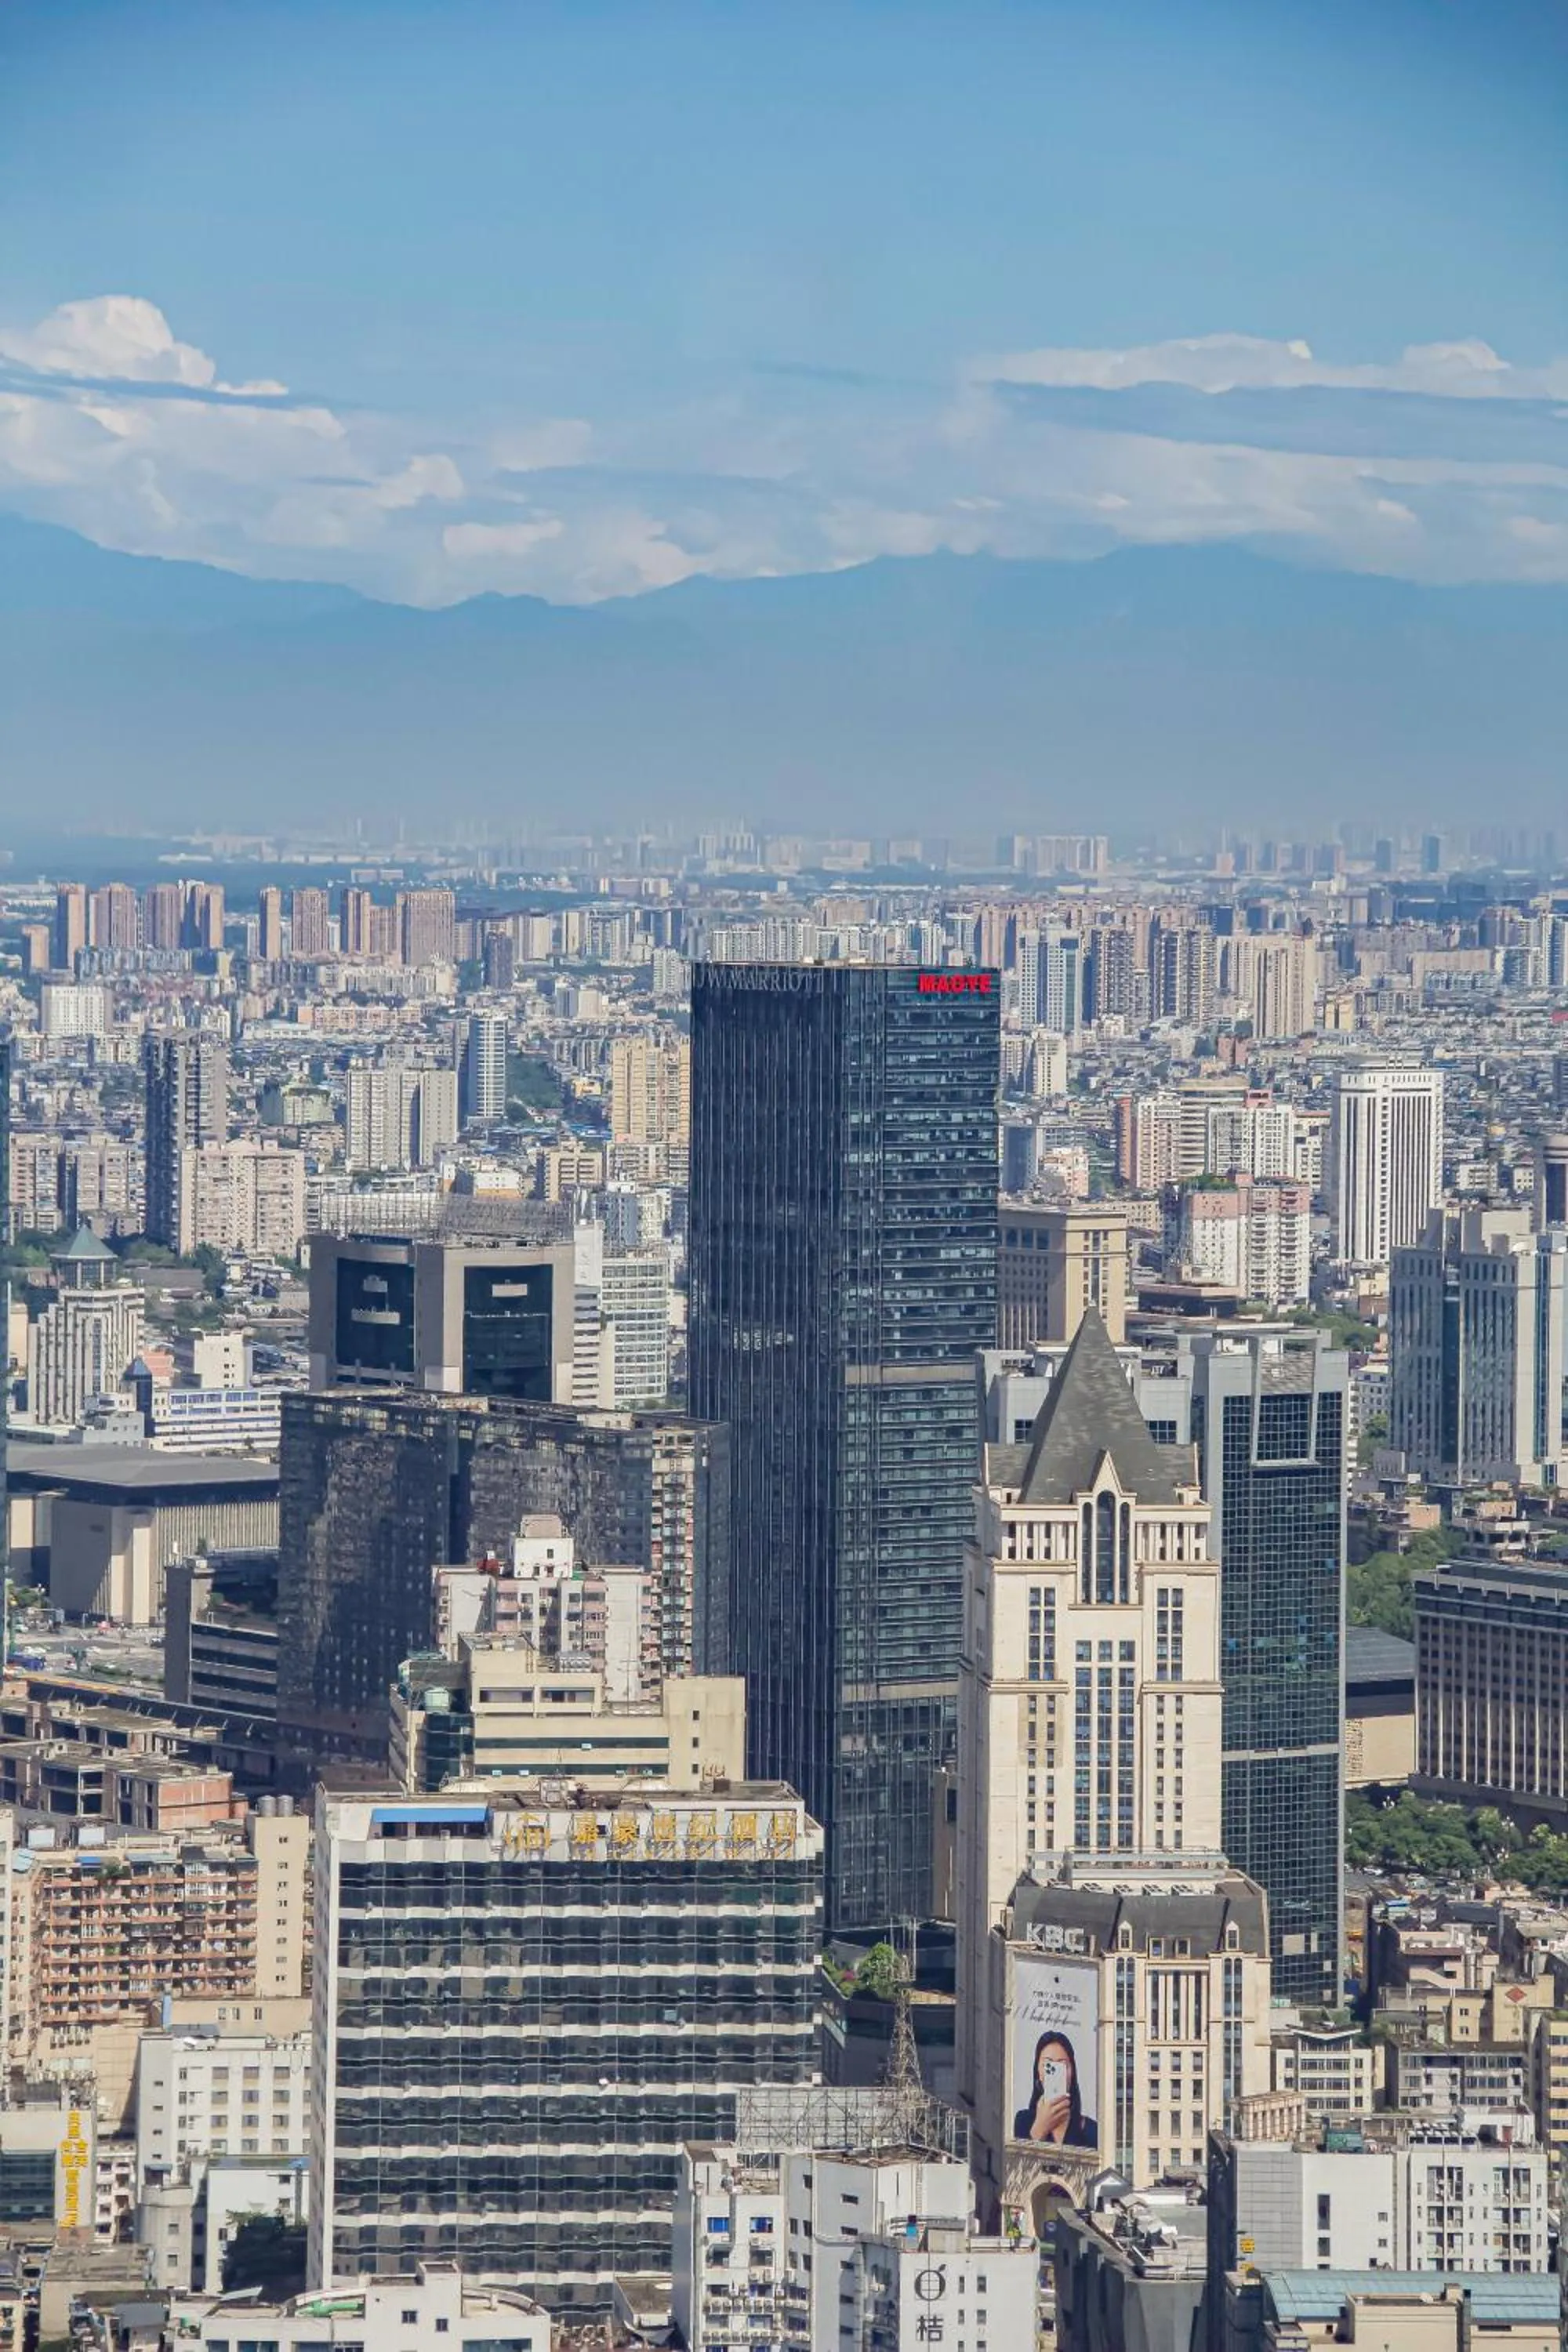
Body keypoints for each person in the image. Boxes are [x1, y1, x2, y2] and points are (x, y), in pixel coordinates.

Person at [1013, 2030, 1096, 2147]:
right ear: (1039, 2073)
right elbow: (1018, 2163)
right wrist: (1039, 2130)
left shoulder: (1090, 2130)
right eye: (1048, 2065)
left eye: (1062, 2065)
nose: (1056, 2072)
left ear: (1072, 2073)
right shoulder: (1023, 2121)